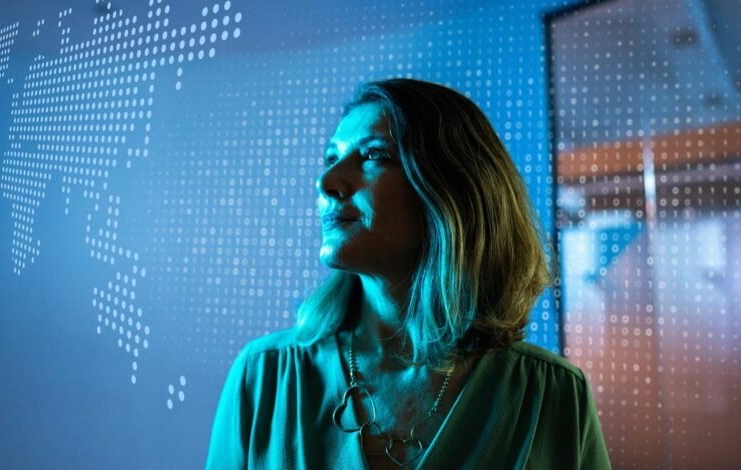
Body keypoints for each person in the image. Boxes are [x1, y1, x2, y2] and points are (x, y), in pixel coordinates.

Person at [205, 78, 611, 469]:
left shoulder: (552, 395)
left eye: (373, 155)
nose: (327, 181)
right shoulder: (265, 377)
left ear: (454, 190)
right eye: (331, 158)